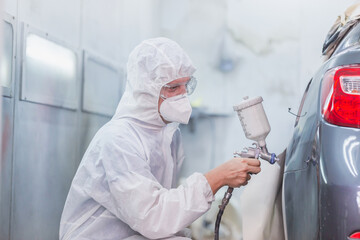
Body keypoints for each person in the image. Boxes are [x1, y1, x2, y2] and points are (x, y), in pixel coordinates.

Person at [59, 37, 261, 240]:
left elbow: (160, 210)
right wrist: (218, 177)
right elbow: (153, 217)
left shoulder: (167, 135)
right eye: (173, 88)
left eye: (186, 85)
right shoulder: (118, 140)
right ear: (146, 91)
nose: (183, 95)